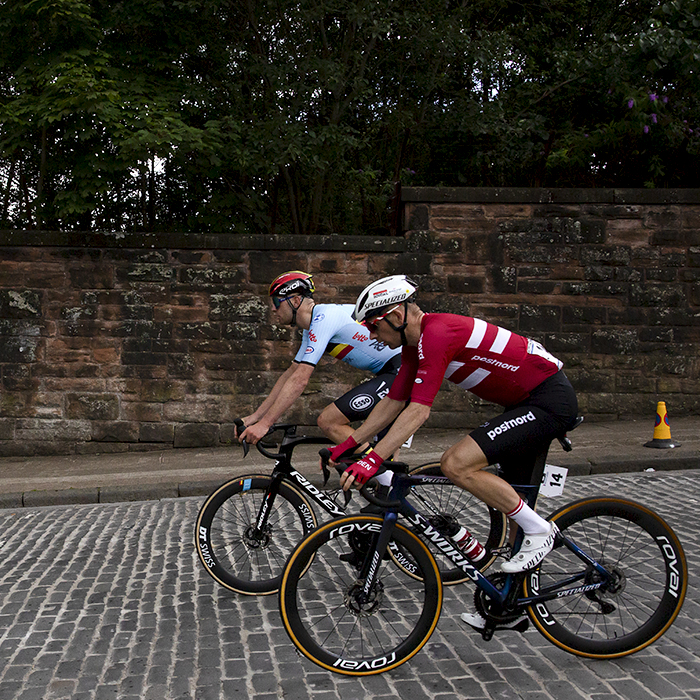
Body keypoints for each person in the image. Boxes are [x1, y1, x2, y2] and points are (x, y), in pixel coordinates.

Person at [328, 274, 578, 632]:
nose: (368, 334)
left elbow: (418, 411)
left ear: (396, 316)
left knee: (456, 463)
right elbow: (394, 401)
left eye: (372, 324)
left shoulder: (437, 334)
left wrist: (373, 459)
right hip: (525, 404)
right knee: (514, 516)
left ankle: (542, 531)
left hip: (547, 401)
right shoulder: (416, 343)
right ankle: (509, 605)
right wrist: (349, 445)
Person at [237, 271, 402, 446]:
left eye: (277, 302)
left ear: (295, 300)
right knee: (387, 461)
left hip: (401, 368)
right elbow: (290, 374)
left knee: (329, 421)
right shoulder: (312, 327)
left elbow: (300, 380)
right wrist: (256, 417)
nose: (272, 308)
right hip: (391, 370)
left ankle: (373, 468)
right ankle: (382, 471)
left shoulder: (324, 318)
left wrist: (265, 425)